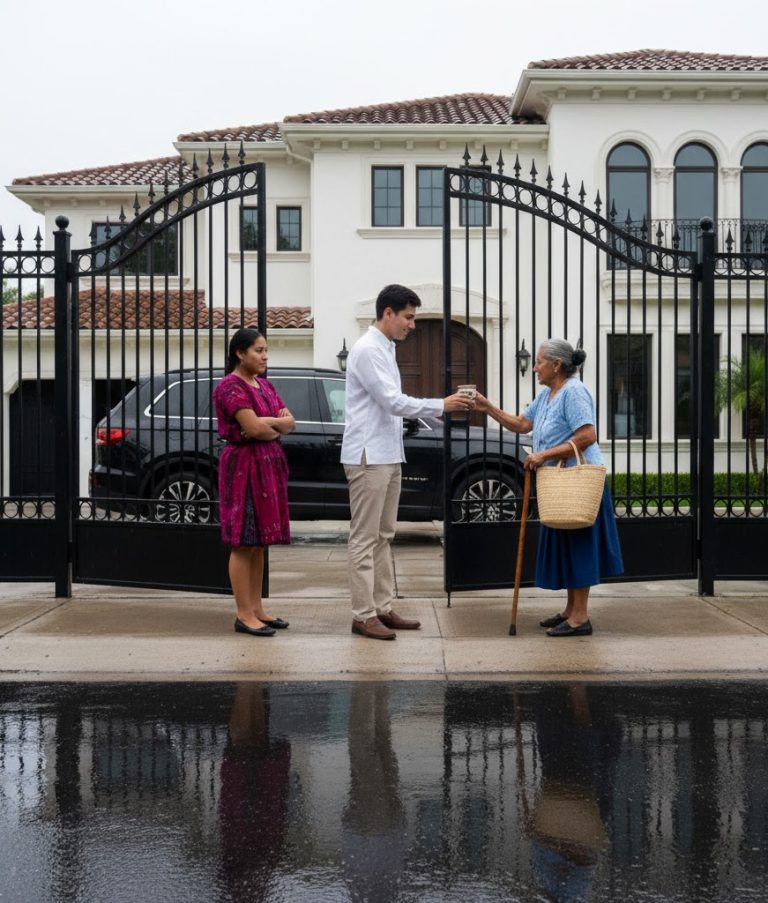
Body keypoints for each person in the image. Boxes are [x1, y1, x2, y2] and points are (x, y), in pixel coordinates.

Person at [341, 284, 474, 640]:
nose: (412, 325)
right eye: (409, 317)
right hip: (369, 456)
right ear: (388, 313)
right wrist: (440, 405)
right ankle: (362, 614)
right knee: (365, 538)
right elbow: (391, 401)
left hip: (387, 454)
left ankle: (382, 608)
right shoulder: (368, 349)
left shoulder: (384, 349)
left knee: (384, 535)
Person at [475, 339, 622, 636]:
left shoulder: (574, 391)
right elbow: (521, 424)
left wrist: (543, 454)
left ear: (557, 365)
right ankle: (570, 611)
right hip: (560, 484)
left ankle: (580, 618)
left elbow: (587, 435)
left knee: (578, 545)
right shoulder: (546, 395)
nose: (535, 368)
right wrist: (487, 407)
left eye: (539, 362)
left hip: (578, 483)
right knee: (568, 544)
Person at [213, 327, 295, 637]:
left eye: (265, 350)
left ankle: (258, 608)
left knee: (259, 543)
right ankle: (243, 613)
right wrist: (273, 424)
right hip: (243, 467)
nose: (265, 356)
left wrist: (270, 424)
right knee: (243, 542)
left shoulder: (265, 386)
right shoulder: (230, 388)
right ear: (240, 353)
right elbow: (254, 429)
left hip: (268, 466)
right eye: (258, 350)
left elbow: (289, 423)